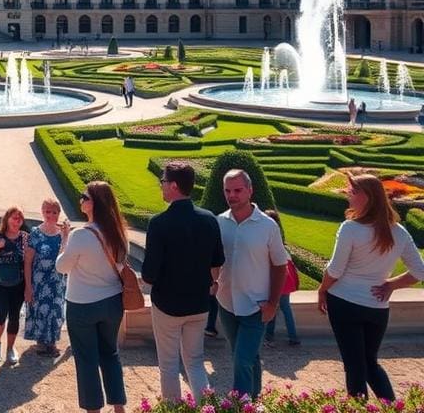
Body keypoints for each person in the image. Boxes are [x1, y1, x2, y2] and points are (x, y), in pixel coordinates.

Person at [319, 173, 424, 400]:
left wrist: (322, 289)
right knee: (370, 364)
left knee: (355, 366)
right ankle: (391, 406)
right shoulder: (398, 231)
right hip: (376, 308)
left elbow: (335, 271)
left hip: (345, 304)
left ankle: (359, 407)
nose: (348, 194)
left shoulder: (351, 228)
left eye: (353, 191)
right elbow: (419, 271)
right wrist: (391, 285)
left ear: (367, 197)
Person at [141, 162, 225, 400]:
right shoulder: (209, 219)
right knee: (196, 363)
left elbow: (149, 274)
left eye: (164, 182)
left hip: (168, 305)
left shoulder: (159, 223)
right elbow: (217, 261)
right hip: (199, 304)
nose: (161, 186)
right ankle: (206, 407)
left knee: (168, 365)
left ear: (174, 186)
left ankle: (173, 408)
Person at [56, 182, 129, 413]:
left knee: (86, 359)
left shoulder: (81, 235)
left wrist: (65, 240)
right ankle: (119, 407)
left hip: (82, 305)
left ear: (93, 202)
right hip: (112, 302)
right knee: (110, 353)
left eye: (83, 196)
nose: (80, 200)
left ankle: (93, 410)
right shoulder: (119, 232)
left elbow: (62, 266)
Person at [215, 169, 288, 399]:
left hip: (256, 306)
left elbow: (280, 265)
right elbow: (214, 259)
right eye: (228, 191)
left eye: (237, 190)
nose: (232, 195)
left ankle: (240, 404)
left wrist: (273, 303)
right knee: (248, 357)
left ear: (250, 190)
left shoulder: (267, 226)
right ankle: (255, 400)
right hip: (226, 303)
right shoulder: (219, 222)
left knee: (241, 359)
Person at [0, 207, 28, 365]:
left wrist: (29, 286)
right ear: (7, 219)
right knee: (0, 314)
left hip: (19, 284)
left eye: (19, 218)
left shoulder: (25, 237)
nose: (17, 221)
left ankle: (10, 348)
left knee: (15, 316)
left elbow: (29, 262)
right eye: (14, 218)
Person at [24, 198, 68, 357]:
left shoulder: (63, 234)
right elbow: (27, 261)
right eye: (47, 212)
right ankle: (41, 342)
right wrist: (28, 287)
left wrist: (66, 236)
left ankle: (52, 342)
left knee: (55, 311)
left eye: (54, 212)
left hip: (57, 281)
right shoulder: (35, 233)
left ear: (59, 214)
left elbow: (66, 257)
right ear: (43, 213)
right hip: (39, 281)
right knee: (40, 310)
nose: (51, 215)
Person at [262, 209, 300, 348]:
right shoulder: (277, 234)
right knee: (284, 308)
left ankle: (270, 337)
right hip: (286, 276)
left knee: (275, 306)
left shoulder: (267, 234)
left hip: (278, 277)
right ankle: (292, 336)